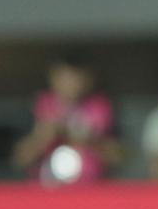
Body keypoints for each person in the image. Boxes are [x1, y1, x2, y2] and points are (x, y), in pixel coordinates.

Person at [12, 56, 122, 186]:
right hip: (46, 191)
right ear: (53, 78)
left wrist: (91, 140)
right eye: (66, 79)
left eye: (77, 79)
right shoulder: (38, 108)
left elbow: (119, 158)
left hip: (90, 191)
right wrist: (44, 137)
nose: (72, 85)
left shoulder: (102, 108)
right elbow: (19, 160)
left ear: (89, 80)